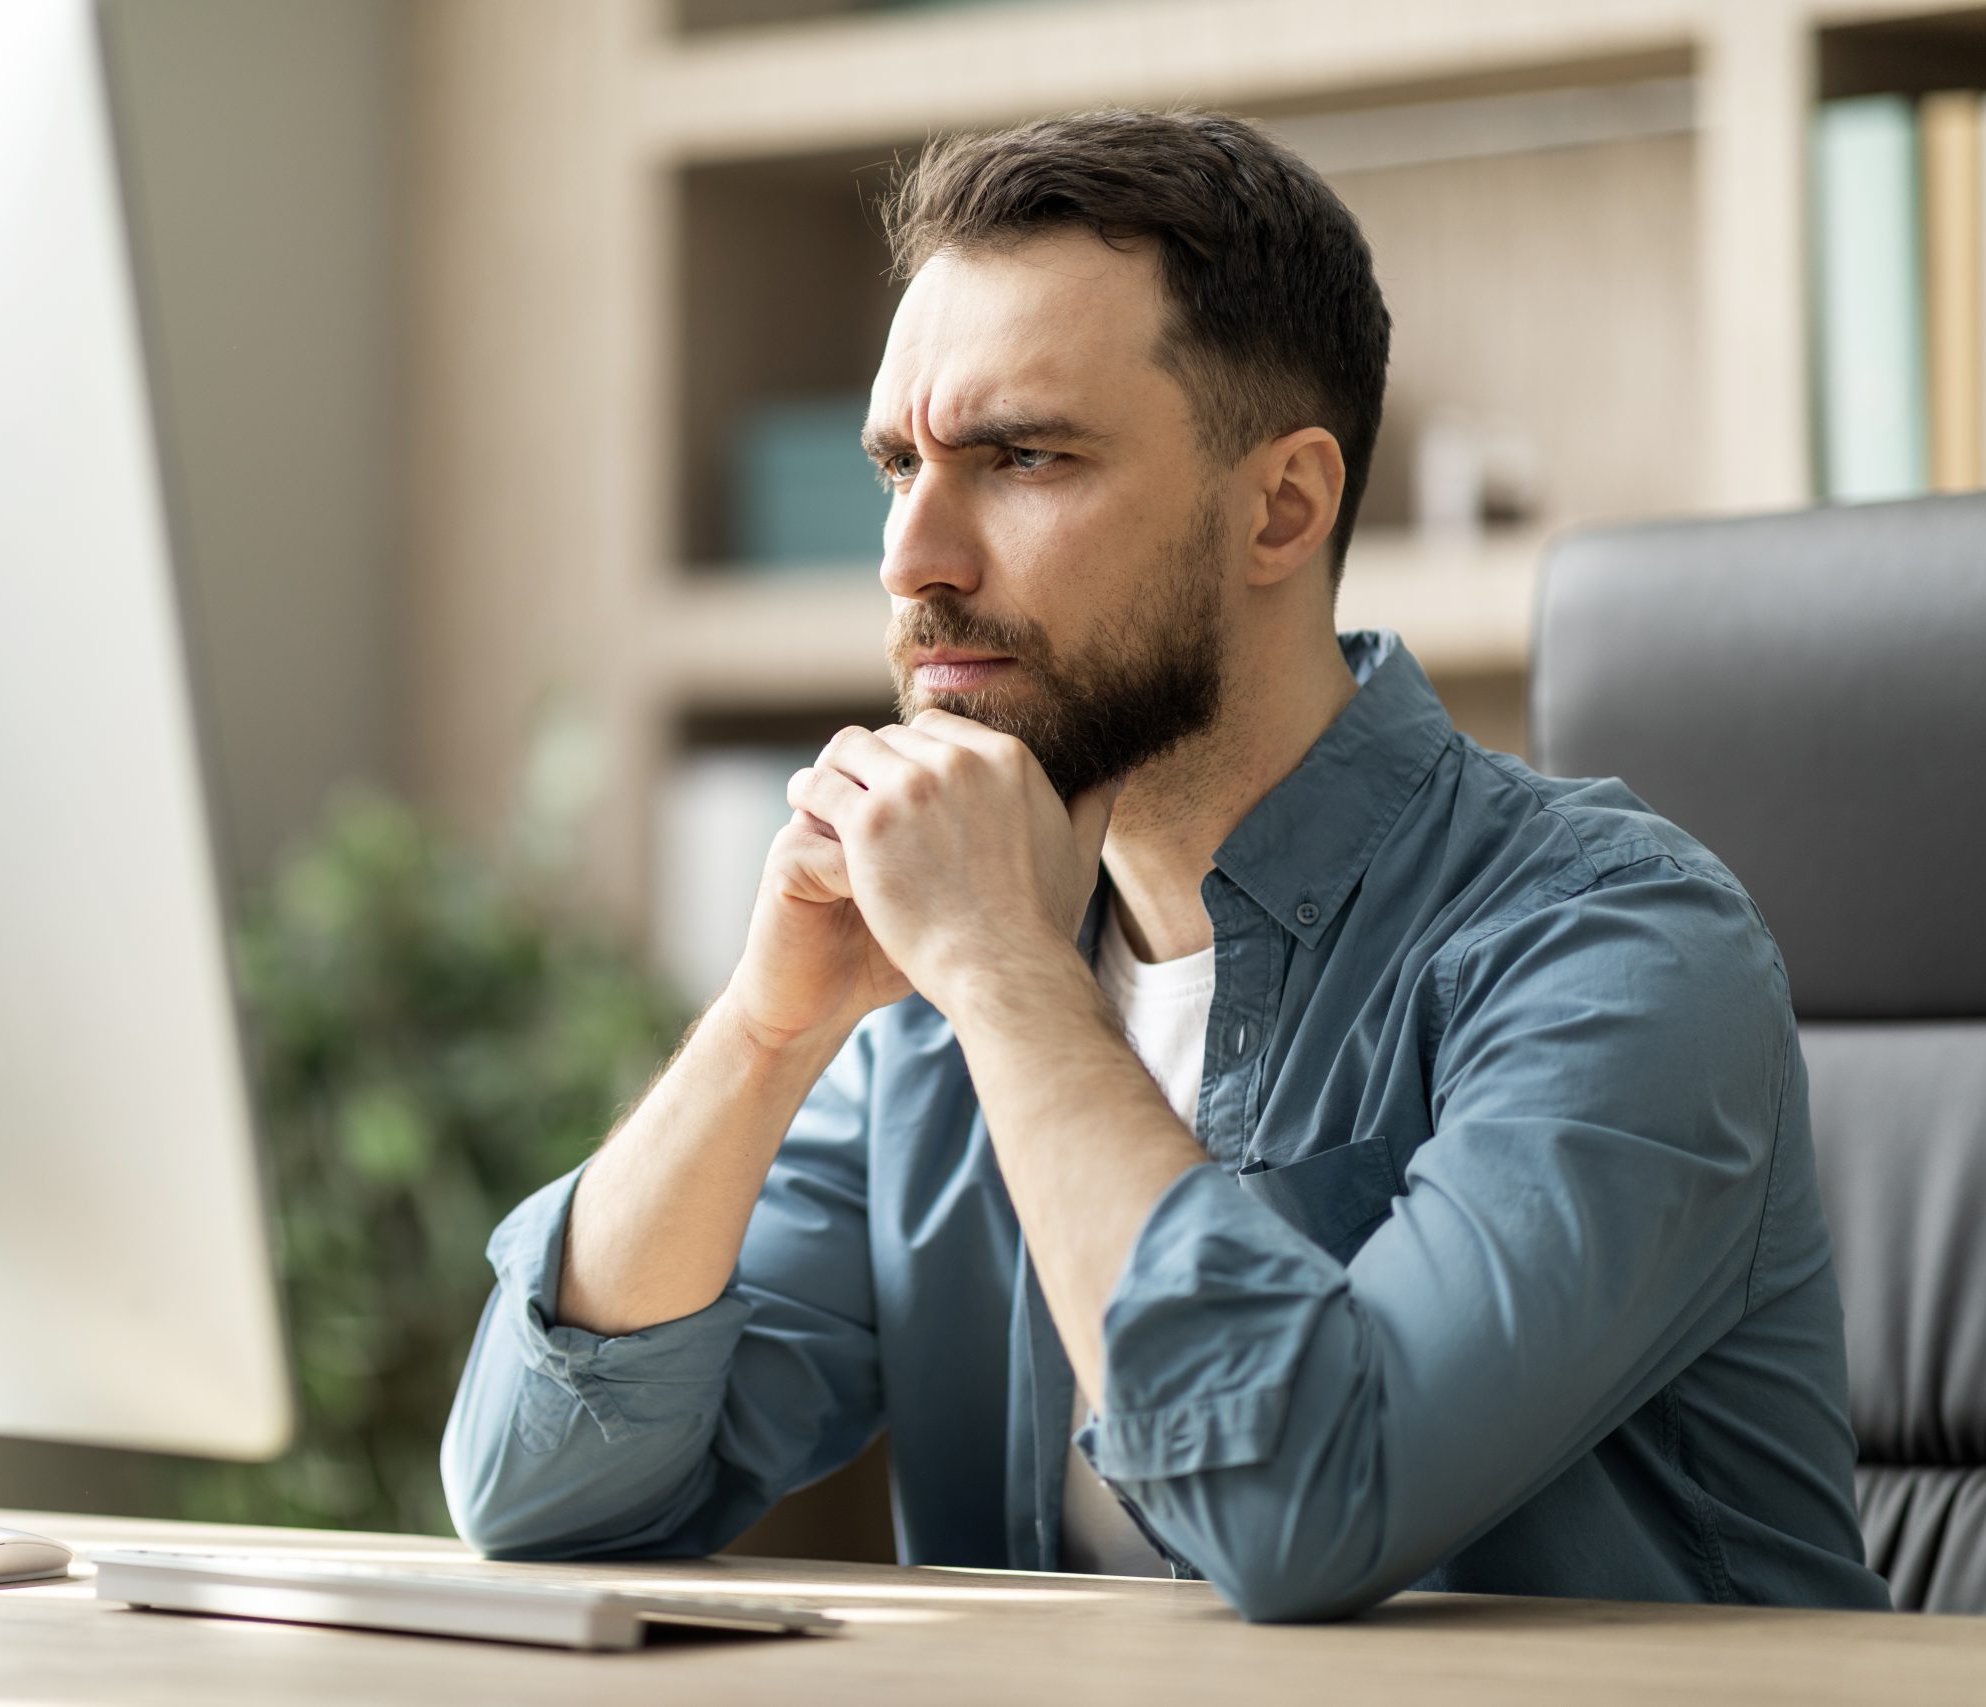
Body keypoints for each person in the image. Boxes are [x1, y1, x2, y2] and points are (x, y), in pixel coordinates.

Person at [438, 108, 1891, 1622]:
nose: (912, 557)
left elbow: (1307, 1500)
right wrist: (766, 1028)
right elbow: (545, 1495)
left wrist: (1005, 979)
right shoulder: (942, 1000)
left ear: (1283, 507)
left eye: (1023, 456)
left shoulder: (1621, 949)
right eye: (898, 467)